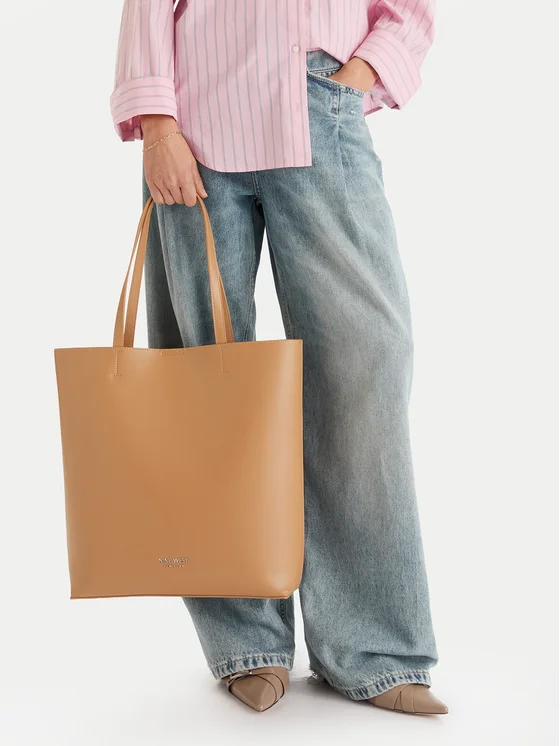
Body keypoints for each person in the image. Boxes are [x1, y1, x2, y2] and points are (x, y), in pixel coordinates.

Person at [110, 0, 447, 716]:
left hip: (321, 107)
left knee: (363, 370)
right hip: (194, 127)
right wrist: (158, 126)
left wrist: (352, 80)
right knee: (206, 383)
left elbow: (410, 11)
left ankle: (373, 648)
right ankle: (245, 642)